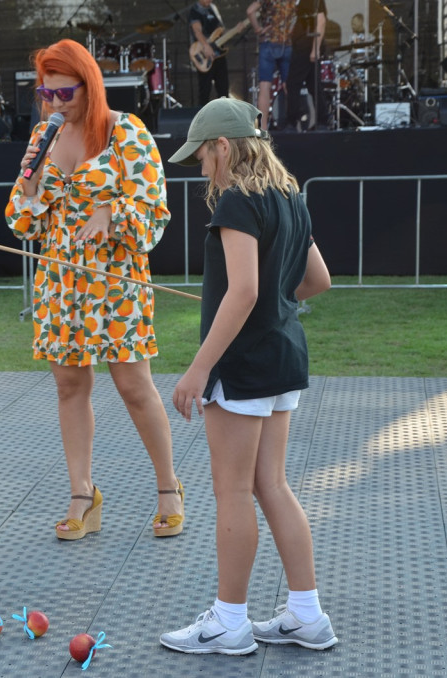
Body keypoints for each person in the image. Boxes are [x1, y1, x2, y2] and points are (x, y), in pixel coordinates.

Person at [158, 97, 334, 655]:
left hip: (243, 366)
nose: (202, 168)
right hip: (283, 357)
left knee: (232, 491)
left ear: (225, 147)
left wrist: (198, 368)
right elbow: (317, 280)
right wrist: (270, 308)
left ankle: (229, 621)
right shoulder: (289, 196)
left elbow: (245, 291)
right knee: (271, 485)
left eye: (204, 157)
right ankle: (306, 614)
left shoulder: (237, 200)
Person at [5, 39, 183, 541]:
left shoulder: (127, 132)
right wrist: (35, 181)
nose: (56, 104)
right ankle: (82, 493)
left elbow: (155, 211)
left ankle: (168, 487)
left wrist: (112, 212)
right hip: (61, 282)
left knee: (132, 385)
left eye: (65, 93)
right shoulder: (44, 136)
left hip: (116, 281)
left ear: (89, 85)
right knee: (69, 386)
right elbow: (20, 221)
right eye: (47, 94)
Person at [246, 0, 295, 131]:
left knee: (264, 86)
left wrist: (257, 28)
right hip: (287, 42)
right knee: (288, 85)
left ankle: (262, 128)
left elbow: (250, 11)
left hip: (268, 41)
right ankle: (292, 123)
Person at [284, 0, 327, 131]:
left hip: (306, 45)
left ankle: (291, 122)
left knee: (293, 83)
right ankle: (322, 121)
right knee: (313, 85)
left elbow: (321, 21)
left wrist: (315, 48)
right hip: (299, 45)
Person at [190, 0, 231, 107]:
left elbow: (220, 30)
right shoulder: (194, 10)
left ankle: (224, 119)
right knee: (205, 91)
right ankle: (203, 121)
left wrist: (235, 30)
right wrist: (206, 45)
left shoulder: (214, 9)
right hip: (204, 54)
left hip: (219, 54)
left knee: (224, 90)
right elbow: (197, 31)